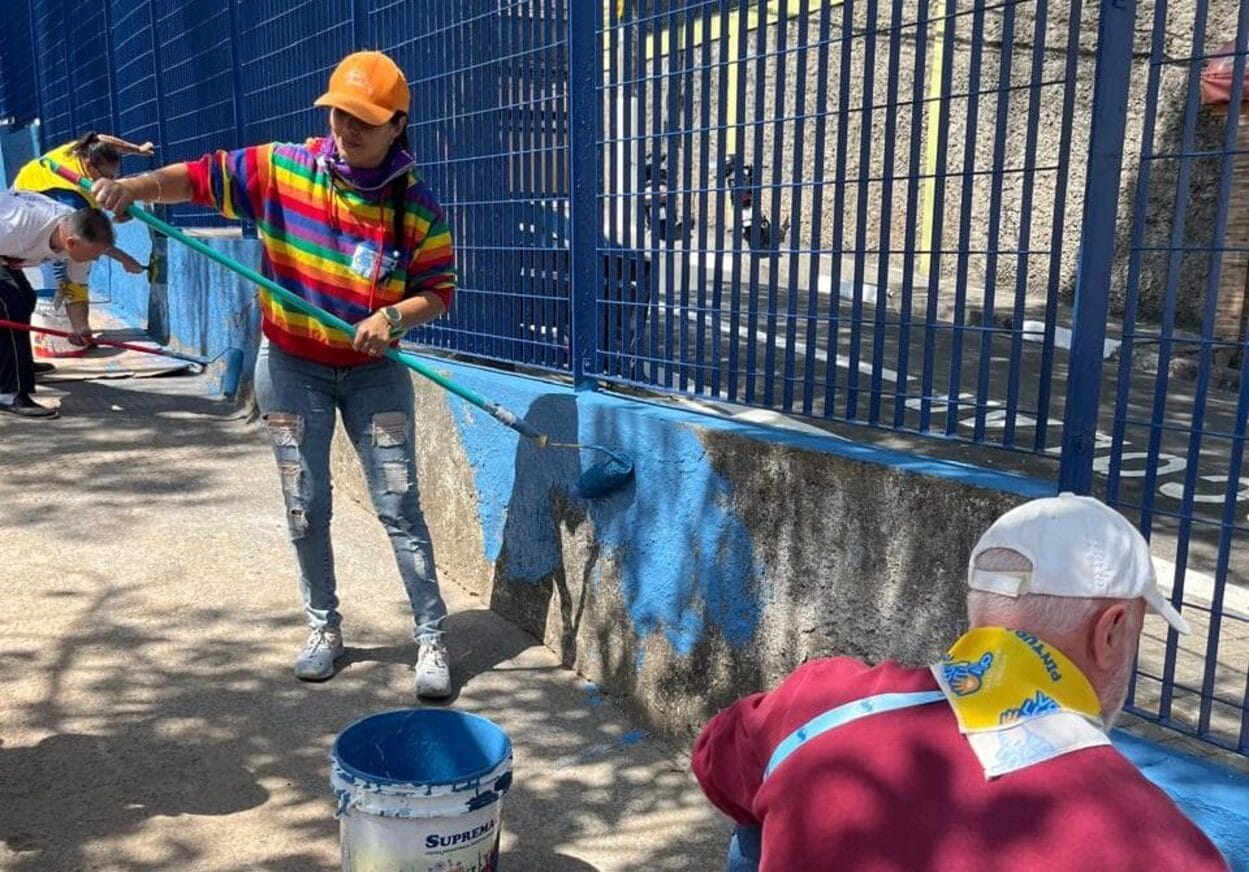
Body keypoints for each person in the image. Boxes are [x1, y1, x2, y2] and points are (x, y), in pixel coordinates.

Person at [92, 51, 458, 698]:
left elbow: (437, 289)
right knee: (304, 503)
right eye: (339, 115)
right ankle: (324, 628)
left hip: (375, 375)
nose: (346, 129)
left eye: (364, 121)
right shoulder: (283, 168)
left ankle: (430, 637)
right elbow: (201, 180)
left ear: (398, 124)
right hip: (291, 367)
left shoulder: (416, 208)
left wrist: (395, 319)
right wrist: (138, 189)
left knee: (398, 505)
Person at [692, 493, 1229, 871]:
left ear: (979, 606)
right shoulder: (1167, 849)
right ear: (1111, 632)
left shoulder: (821, 699)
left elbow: (714, 763)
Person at [13, 132, 155, 344]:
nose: (112, 182)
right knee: (62, 273)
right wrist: (126, 259)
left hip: (47, 202)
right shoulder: (73, 197)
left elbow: (104, 139)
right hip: (26, 207)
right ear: (89, 166)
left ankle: (79, 328)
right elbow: (90, 244)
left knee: (79, 266)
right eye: (108, 178)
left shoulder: (86, 148)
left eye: (115, 177)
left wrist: (137, 149)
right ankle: (55, 333)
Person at [0, 191, 114, 418]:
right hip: (6, 241)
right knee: (10, 304)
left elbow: (75, 289)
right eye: (94, 253)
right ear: (71, 242)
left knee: (26, 298)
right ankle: (8, 392)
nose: (96, 259)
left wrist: (80, 328)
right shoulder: (15, 228)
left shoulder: (76, 236)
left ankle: (18, 365)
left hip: (5, 254)